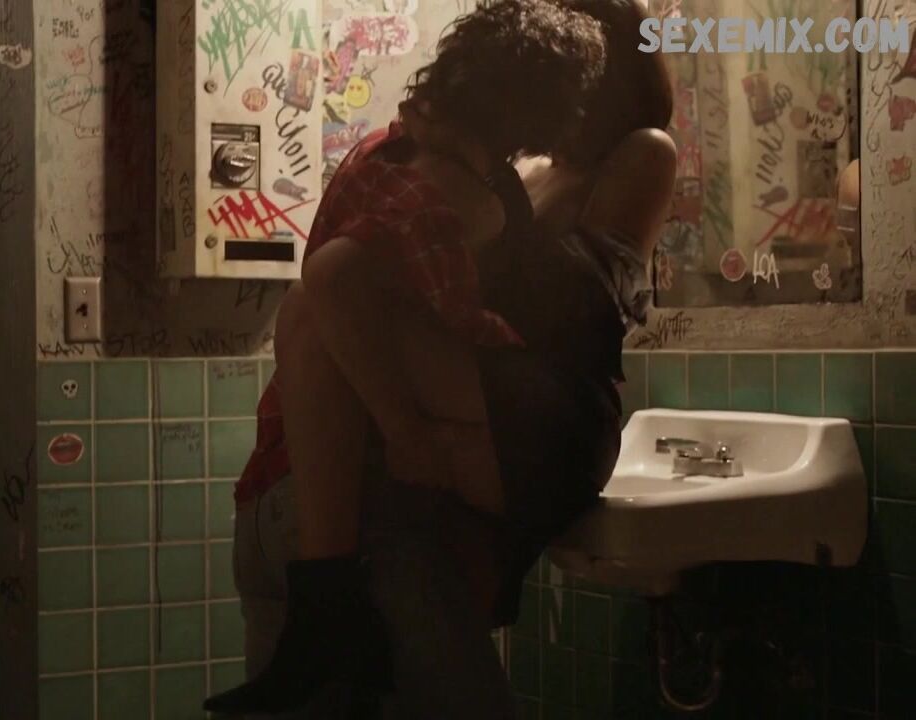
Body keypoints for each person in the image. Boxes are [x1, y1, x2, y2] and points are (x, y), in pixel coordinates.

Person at [214, 0, 679, 716]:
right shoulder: (484, 176)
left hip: (515, 420)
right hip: (415, 454)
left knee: (314, 310)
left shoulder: (629, 154)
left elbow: (558, 296)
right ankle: (326, 600)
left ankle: (325, 598)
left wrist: (473, 178)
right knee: (313, 311)